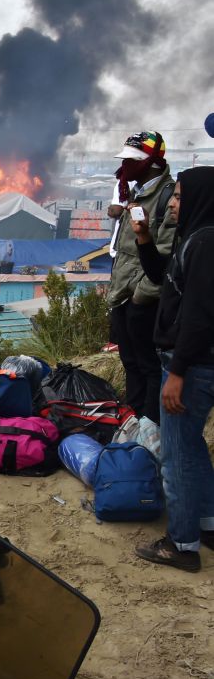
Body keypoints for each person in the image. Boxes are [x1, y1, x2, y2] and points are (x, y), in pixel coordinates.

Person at [133, 166, 214, 572]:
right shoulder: (196, 239)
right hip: (195, 363)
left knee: (177, 454)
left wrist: (178, 371)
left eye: (180, 196)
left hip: (192, 366)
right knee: (192, 446)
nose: (174, 203)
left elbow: (199, 317)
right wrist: (145, 239)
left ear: (199, 199)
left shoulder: (204, 243)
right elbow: (163, 277)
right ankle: (208, 523)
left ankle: (181, 545)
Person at [106, 131, 176, 425]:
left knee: (148, 365)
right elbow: (124, 249)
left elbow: (165, 252)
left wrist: (140, 296)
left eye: (133, 160)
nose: (126, 166)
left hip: (143, 297)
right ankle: (131, 422)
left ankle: (149, 429)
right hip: (123, 293)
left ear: (153, 162)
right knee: (130, 362)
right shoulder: (137, 192)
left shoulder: (167, 197)